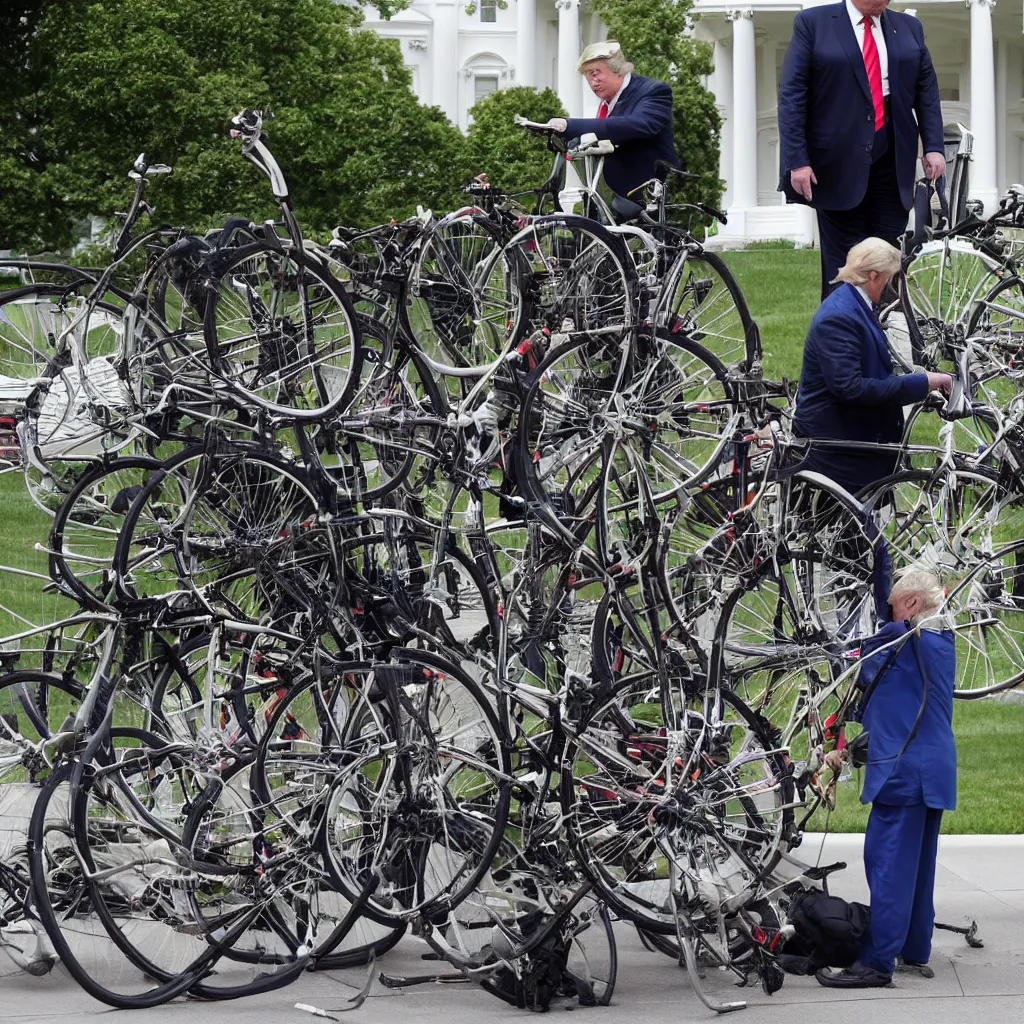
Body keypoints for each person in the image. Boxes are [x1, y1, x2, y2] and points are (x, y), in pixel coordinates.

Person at [818, 568, 956, 988]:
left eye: (893, 606)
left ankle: (878, 962)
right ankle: (914, 949)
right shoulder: (938, 642)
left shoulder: (902, 641)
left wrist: (871, 536)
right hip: (931, 769)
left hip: (903, 772)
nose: (886, 613)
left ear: (911, 605)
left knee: (888, 867)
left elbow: (857, 651)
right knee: (917, 868)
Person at [777, 1, 945, 298]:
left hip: (892, 165)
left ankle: (884, 336)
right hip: (836, 167)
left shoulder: (909, 28)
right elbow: (792, 95)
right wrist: (797, 160)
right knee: (844, 266)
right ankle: (841, 336)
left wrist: (933, 146)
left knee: (886, 261)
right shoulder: (813, 23)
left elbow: (926, 91)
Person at [793, 237, 952, 496]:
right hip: (839, 453)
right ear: (874, 276)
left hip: (854, 444)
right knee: (853, 531)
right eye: (891, 279)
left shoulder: (854, 305)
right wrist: (924, 382)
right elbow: (851, 388)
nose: (893, 288)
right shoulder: (838, 318)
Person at [544, 41, 679, 218]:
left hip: (650, 199)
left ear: (619, 71)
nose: (593, 81)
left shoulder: (653, 91)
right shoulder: (608, 102)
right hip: (614, 200)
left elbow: (637, 125)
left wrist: (569, 125)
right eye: (587, 76)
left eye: (596, 73)